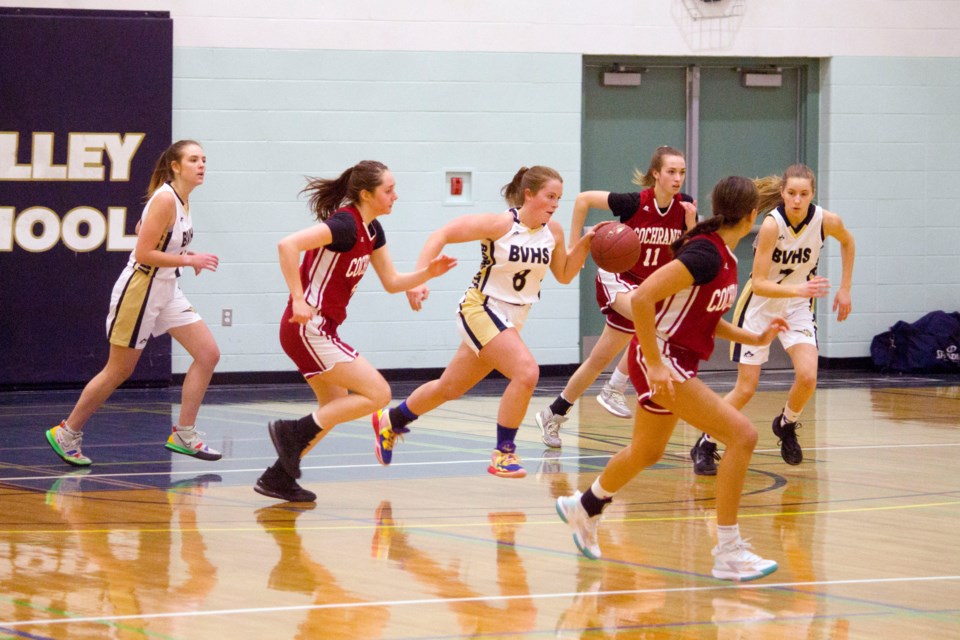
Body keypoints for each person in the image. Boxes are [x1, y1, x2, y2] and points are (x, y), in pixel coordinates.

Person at [556, 175, 789, 582]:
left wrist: (752, 336)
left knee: (647, 451)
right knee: (742, 436)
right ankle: (728, 550)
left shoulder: (727, 258)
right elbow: (644, 298)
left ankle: (585, 506)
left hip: (670, 357)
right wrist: (654, 362)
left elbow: (705, 317)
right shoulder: (705, 254)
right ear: (753, 216)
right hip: (661, 358)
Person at [372, 166, 601, 478]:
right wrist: (419, 279)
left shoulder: (554, 232)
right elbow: (442, 235)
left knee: (449, 387)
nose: (554, 204)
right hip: (481, 308)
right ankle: (503, 453)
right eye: (549, 196)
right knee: (526, 372)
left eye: (559, 198)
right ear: (529, 194)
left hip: (513, 317)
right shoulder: (500, 224)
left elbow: (563, 274)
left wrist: (587, 243)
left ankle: (393, 419)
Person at [256, 160, 456, 503]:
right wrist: (298, 299)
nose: (395, 196)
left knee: (332, 407)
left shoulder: (373, 230)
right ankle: (290, 432)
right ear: (366, 194)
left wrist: (426, 276)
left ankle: (279, 475)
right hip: (308, 326)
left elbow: (392, 283)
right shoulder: (345, 224)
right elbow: (287, 245)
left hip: (321, 329)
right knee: (378, 394)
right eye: (388, 190)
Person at [45, 140, 222, 467]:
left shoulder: (180, 199)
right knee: (119, 370)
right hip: (141, 288)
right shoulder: (166, 198)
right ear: (176, 166)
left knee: (208, 354)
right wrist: (189, 258)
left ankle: (184, 433)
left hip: (167, 288)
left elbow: (146, 230)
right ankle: (67, 432)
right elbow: (143, 253)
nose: (201, 166)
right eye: (194, 159)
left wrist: (182, 258)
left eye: (204, 160)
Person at [689, 164, 855, 475]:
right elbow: (760, 281)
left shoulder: (825, 221)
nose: (797, 200)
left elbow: (848, 242)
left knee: (808, 376)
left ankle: (786, 424)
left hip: (797, 307)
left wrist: (845, 289)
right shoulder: (771, 225)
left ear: (812, 195)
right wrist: (801, 287)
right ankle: (707, 443)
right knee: (746, 389)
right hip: (761, 306)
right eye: (791, 193)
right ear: (782, 193)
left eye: (804, 194)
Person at [536, 146, 696, 448]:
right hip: (617, 279)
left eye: (682, 172)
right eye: (672, 172)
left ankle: (553, 413)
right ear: (656, 174)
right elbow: (583, 200)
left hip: (645, 289)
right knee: (654, 319)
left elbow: (690, 251)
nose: (678, 178)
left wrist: (691, 226)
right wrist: (574, 248)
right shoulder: (634, 202)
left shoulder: (684, 206)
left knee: (598, 359)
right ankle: (615, 387)